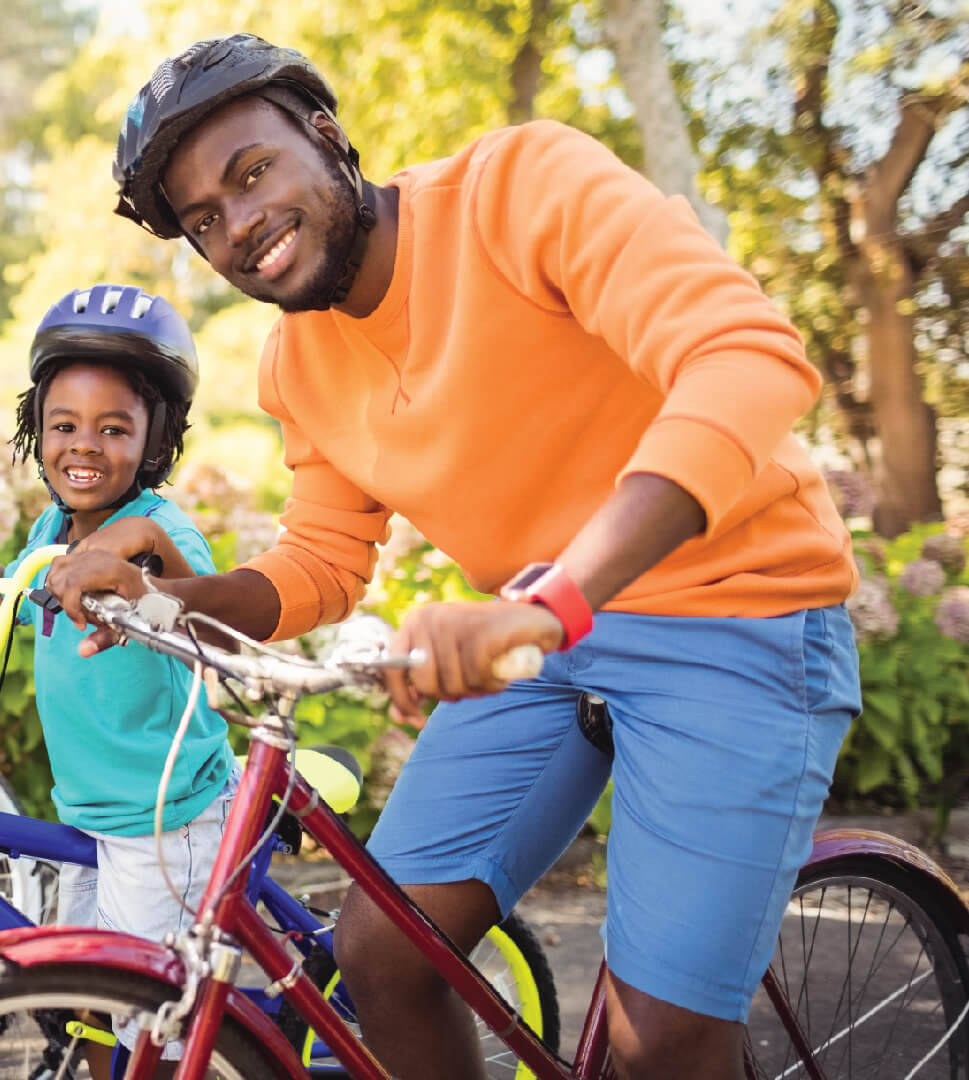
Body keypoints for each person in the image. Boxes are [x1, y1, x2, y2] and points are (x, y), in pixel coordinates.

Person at [42, 34, 860, 1080]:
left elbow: (743, 356)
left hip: (739, 616)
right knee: (382, 953)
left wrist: (549, 600)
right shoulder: (299, 358)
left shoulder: (521, 189)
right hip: (547, 642)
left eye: (251, 174)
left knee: (660, 1043)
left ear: (326, 138)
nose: (238, 226)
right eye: (203, 221)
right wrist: (165, 601)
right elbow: (322, 566)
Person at [0, 283, 237, 1071]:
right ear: (36, 428)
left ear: (155, 438)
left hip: (164, 822)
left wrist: (135, 541)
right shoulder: (51, 531)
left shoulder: (162, 533)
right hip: (91, 816)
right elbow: (14, 598)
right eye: (63, 425)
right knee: (85, 999)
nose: (84, 446)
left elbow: (193, 599)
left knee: (151, 1020)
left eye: (114, 429)